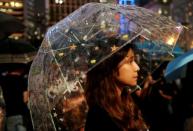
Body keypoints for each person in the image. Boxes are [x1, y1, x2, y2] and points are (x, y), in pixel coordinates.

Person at [84, 37, 148, 131]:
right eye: (129, 62)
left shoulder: (127, 100)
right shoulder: (98, 116)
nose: (137, 67)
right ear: (110, 67)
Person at [0, 64, 32, 131]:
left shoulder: (3, 80)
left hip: (9, 115)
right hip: (20, 114)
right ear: (20, 69)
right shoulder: (21, 80)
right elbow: (25, 99)